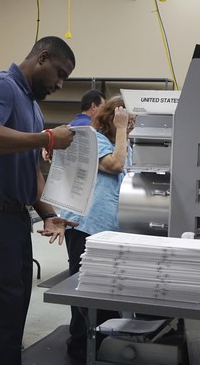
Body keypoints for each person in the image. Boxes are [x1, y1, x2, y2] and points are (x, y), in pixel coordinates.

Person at [0, 36, 79, 365]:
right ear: (42, 57)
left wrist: (47, 213)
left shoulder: (32, 107)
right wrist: (48, 137)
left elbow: (31, 171)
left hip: (12, 220)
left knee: (11, 318)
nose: (60, 83)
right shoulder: (1, 86)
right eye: (60, 73)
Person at [60, 95, 136, 362]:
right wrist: (122, 130)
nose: (131, 125)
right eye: (128, 120)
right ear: (112, 118)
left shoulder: (121, 142)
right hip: (85, 225)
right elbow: (114, 166)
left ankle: (101, 340)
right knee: (82, 288)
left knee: (104, 288)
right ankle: (81, 343)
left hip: (107, 228)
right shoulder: (95, 140)